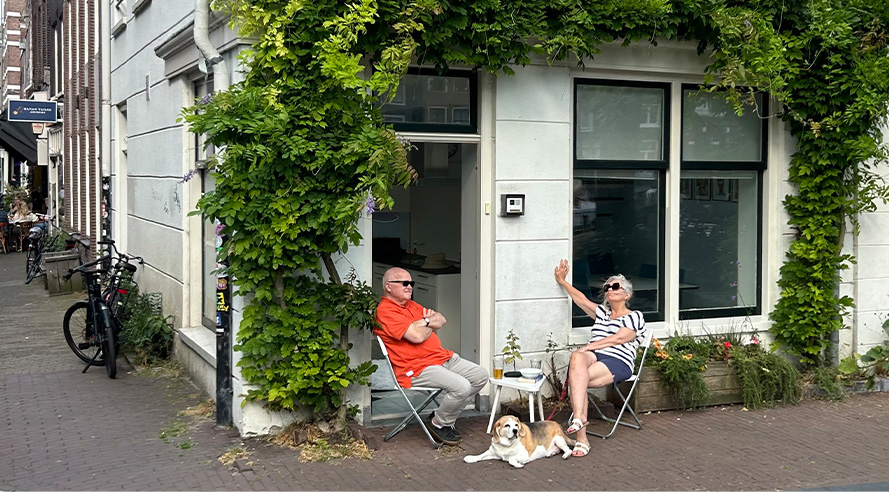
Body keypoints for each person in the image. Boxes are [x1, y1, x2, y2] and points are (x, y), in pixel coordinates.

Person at [375, 267, 488, 446]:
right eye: (404, 283)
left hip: (442, 358)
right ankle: (440, 424)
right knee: (461, 386)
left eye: (411, 283)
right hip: (416, 368)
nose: (409, 287)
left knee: (481, 376)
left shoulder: (411, 305)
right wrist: (428, 322)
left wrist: (422, 323)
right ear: (389, 287)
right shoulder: (385, 311)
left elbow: (441, 319)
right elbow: (417, 336)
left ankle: (441, 415)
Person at [554, 259, 647, 457]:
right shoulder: (603, 314)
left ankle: (581, 437)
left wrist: (589, 346)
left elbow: (619, 339)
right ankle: (579, 420)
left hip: (618, 360)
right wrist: (562, 281)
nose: (609, 289)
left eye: (615, 286)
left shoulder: (635, 316)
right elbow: (580, 299)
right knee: (577, 358)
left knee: (579, 378)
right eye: (607, 287)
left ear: (626, 295)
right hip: (594, 356)